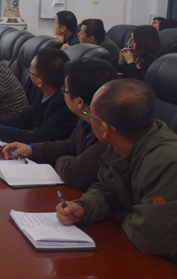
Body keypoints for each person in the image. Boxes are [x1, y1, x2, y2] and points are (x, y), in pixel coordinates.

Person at [56, 79, 177, 265]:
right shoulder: (123, 143)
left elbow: (150, 237)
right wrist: (84, 207)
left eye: (89, 114)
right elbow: (109, 189)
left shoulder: (166, 163)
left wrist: (122, 213)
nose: (87, 118)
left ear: (104, 129)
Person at [2, 58, 117, 191]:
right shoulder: (85, 117)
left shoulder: (108, 134)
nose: (62, 93)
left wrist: (63, 160)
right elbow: (71, 145)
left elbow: (72, 174)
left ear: (79, 102)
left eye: (65, 89)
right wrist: (33, 149)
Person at [0, 47, 76, 145]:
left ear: (40, 82)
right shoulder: (44, 90)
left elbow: (38, 138)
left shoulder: (64, 105)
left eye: (30, 70)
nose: (28, 72)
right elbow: (24, 118)